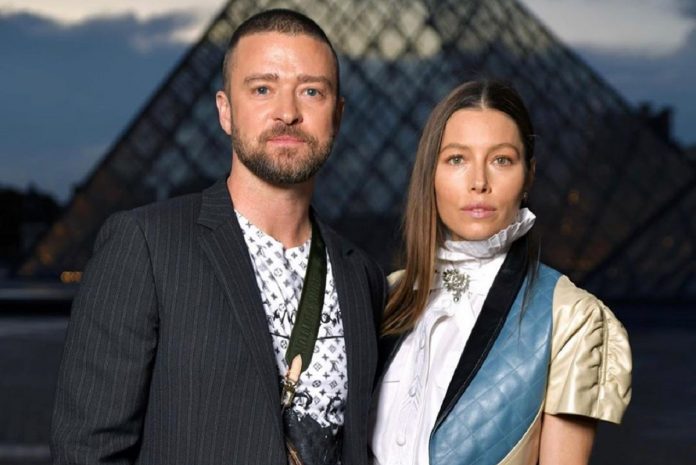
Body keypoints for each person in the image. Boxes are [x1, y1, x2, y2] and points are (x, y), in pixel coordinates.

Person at [51, 9, 386, 465]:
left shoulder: (361, 275)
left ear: (338, 114)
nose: (288, 112)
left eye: (311, 91)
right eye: (263, 89)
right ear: (225, 111)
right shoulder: (147, 245)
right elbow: (86, 452)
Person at [369, 80, 632, 465]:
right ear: (430, 174)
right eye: (456, 159)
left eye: (501, 160)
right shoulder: (383, 295)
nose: (479, 182)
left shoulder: (570, 316)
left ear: (528, 176)